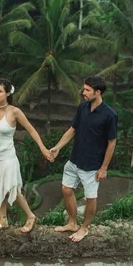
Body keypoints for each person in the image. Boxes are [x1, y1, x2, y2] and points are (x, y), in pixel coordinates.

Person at [0, 78, 52, 235]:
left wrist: (43, 149)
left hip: (7, 158)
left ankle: (31, 216)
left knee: (11, 188)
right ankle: (3, 220)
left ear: (7, 93)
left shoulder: (14, 112)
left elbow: (31, 130)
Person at [50, 76, 117, 242]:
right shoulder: (82, 107)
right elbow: (72, 130)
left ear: (98, 92)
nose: (83, 92)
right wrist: (57, 147)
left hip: (93, 165)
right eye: (84, 89)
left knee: (90, 198)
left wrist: (104, 168)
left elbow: (112, 142)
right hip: (74, 160)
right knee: (66, 189)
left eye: (87, 90)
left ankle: (84, 228)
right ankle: (72, 223)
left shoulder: (109, 115)